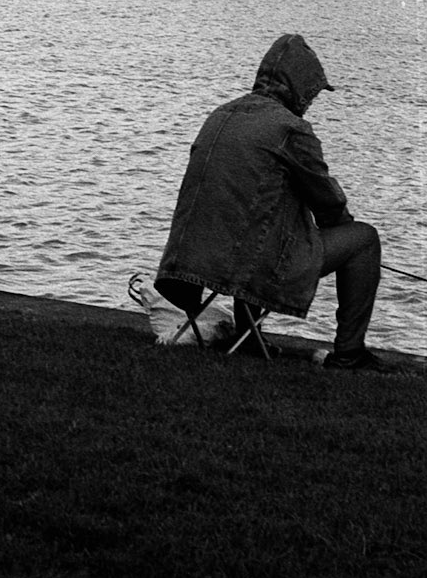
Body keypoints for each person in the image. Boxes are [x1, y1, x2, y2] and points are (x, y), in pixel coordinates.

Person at [156, 32, 389, 372]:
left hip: (192, 261)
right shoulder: (290, 129)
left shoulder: (222, 114)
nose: (310, 102)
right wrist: (333, 233)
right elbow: (330, 207)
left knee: (254, 228)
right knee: (364, 240)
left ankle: (249, 339)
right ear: (300, 87)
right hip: (239, 262)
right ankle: (350, 352)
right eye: (311, 93)